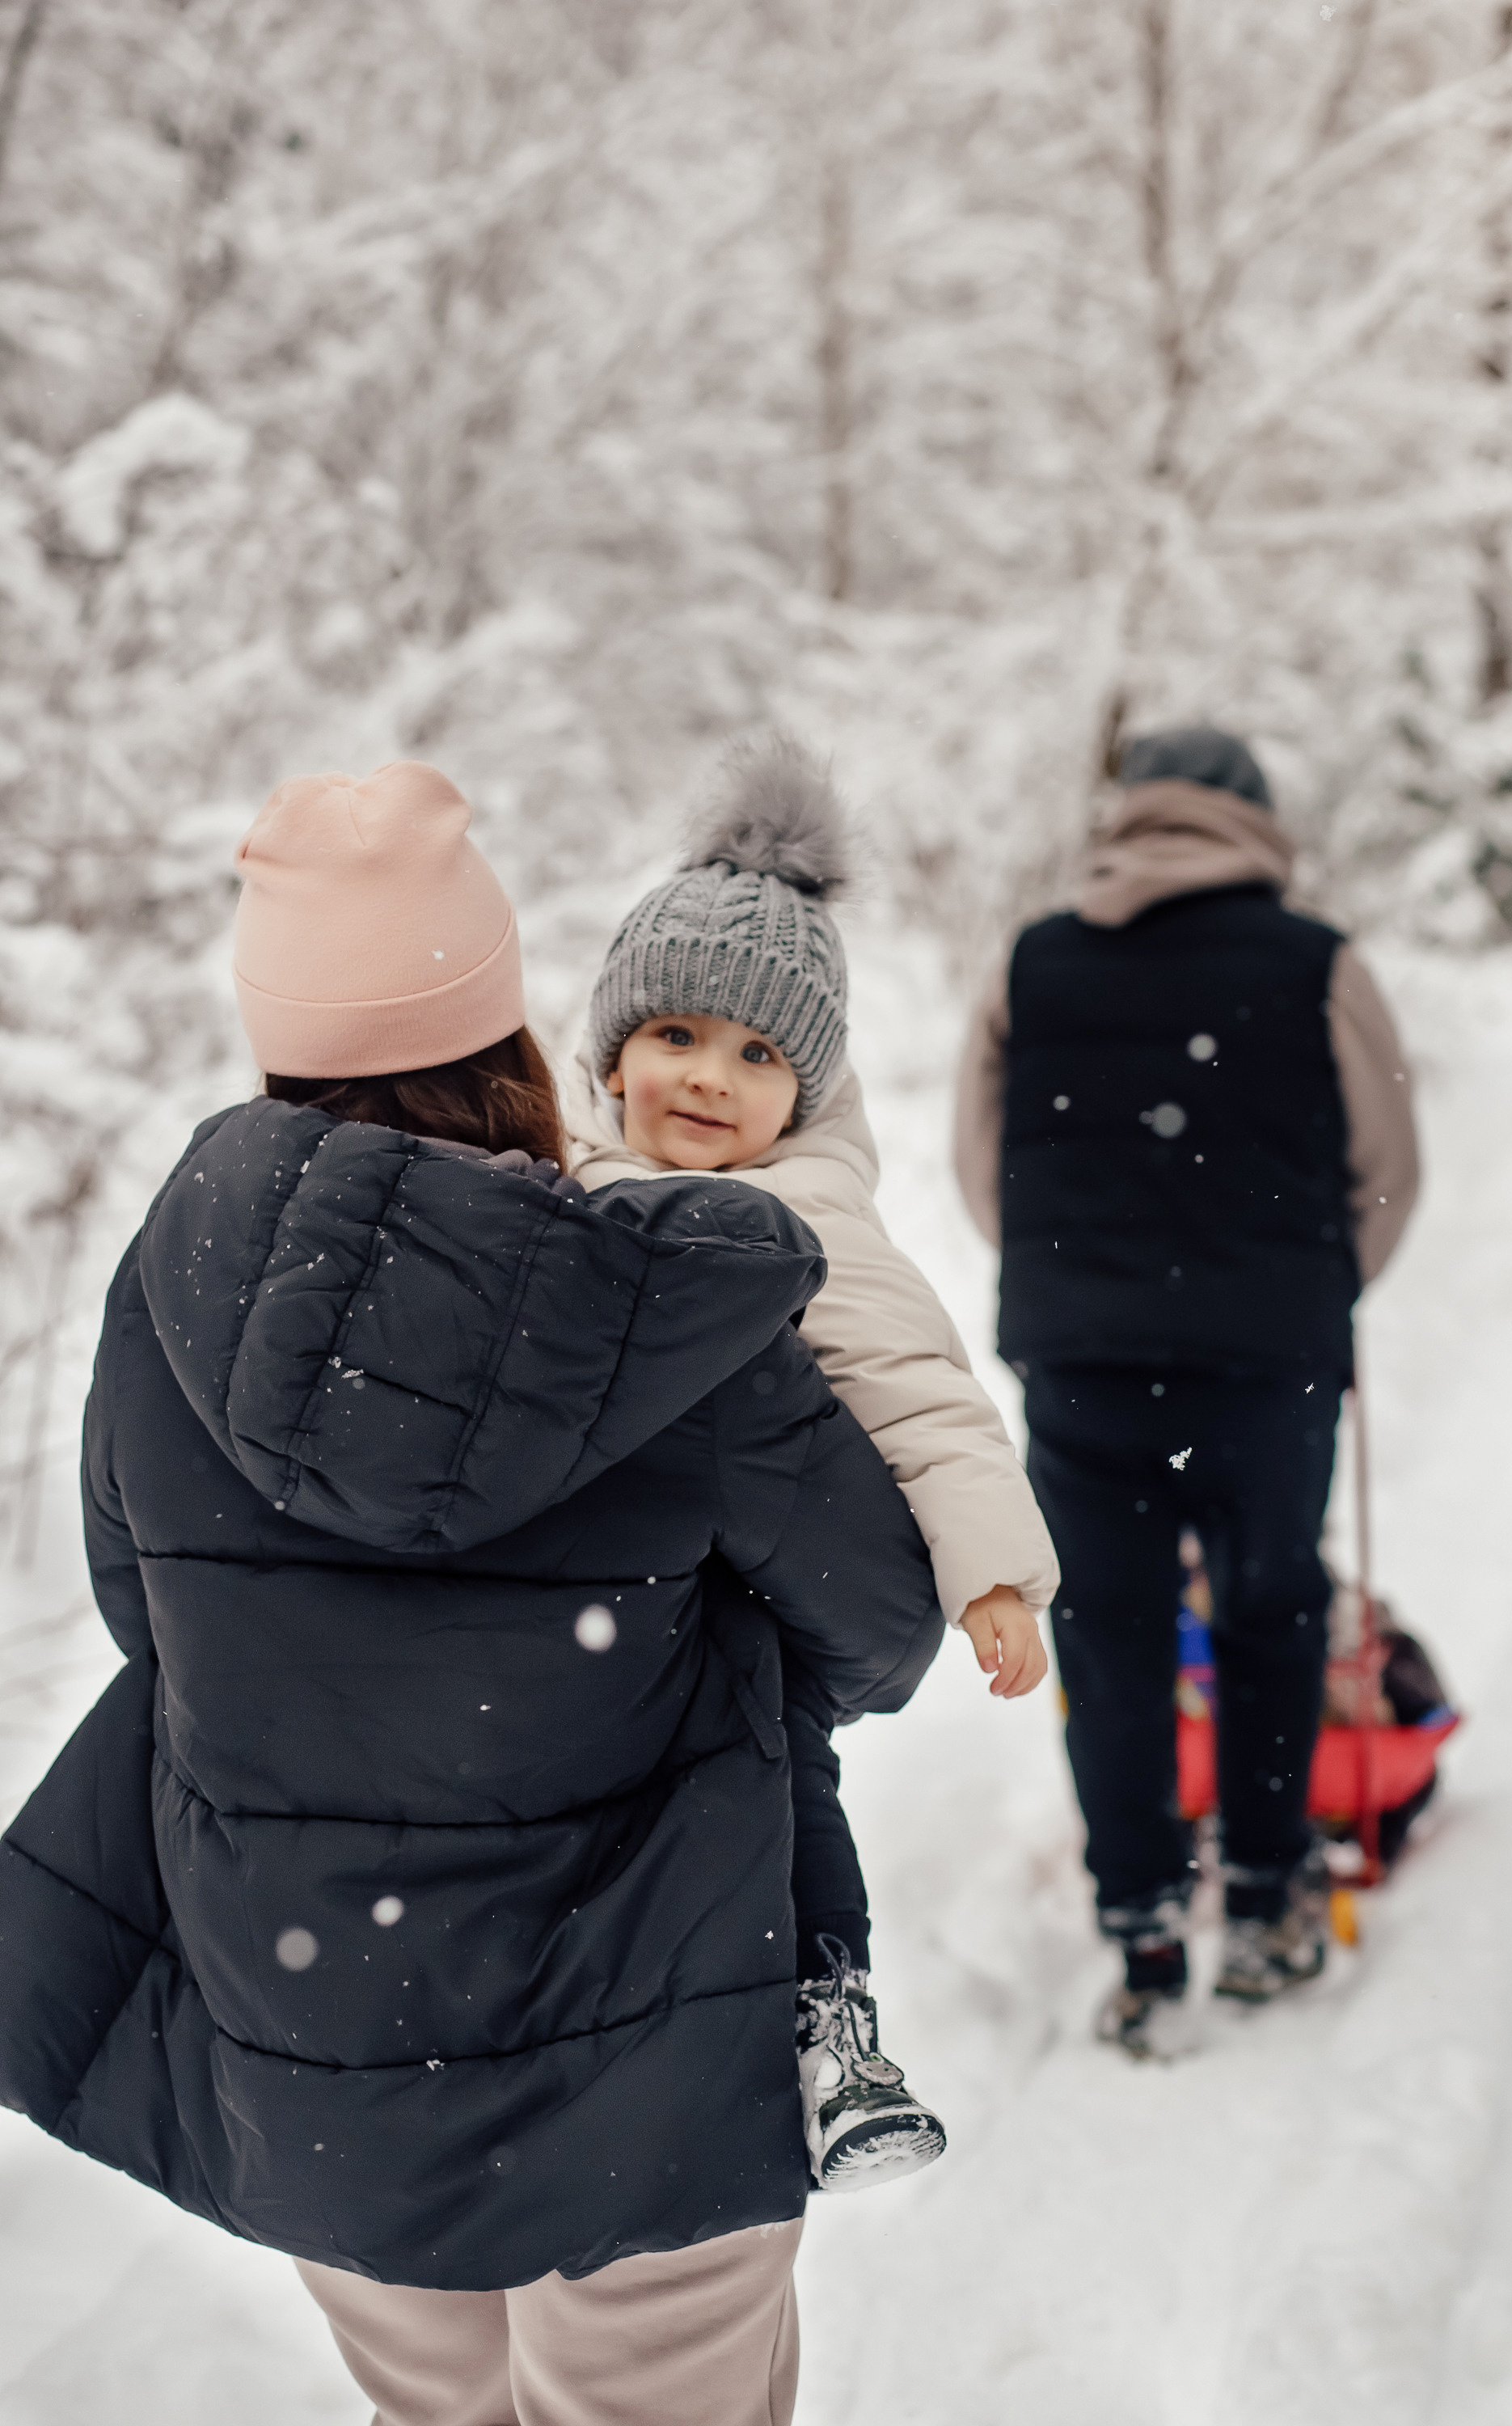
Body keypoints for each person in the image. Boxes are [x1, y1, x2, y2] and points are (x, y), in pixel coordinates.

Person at [0, 759, 945, 2424]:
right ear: (516, 1033)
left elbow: (148, 1614)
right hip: (648, 2057)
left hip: (322, 2052)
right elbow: (877, 1623)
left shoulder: (172, 1283)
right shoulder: (660, 1307)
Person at [568, 732, 1060, 2180]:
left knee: (777, 1767)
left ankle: (830, 2022)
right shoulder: (549, 1181)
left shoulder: (811, 1219)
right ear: (612, 1050)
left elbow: (921, 1393)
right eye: (675, 1035)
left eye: (759, 1053)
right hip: (584, 1592)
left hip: (738, 1603)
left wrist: (990, 1576)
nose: (708, 1079)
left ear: (808, 1093)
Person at [952, 726, 1420, 2057]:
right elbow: (1389, 1165)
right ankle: (1266, 1900)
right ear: (1253, 823)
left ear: (1129, 817)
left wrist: (1078, 1287)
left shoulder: (1032, 963)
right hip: (1269, 1365)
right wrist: (1318, 1287)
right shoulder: (1321, 965)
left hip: (1085, 1369)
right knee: (1272, 1611)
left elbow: (982, 1166)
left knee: (1111, 1638)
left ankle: (1145, 1931)